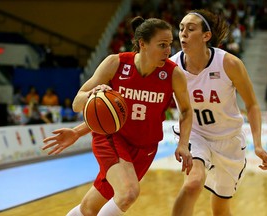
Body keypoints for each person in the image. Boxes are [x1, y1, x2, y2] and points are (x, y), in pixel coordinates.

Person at [42, 16, 193, 216]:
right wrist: (92, 95)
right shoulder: (116, 63)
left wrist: (183, 144)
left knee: (89, 208)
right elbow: (78, 103)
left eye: (170, 45)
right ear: (142, 44)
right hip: (113, 138)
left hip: (145, 148)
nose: (169, 51)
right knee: (129, 193)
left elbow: (186, 110)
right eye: (162, 45)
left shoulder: (173, 74)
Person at [170, 9, 267, 216]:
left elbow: (252, 105)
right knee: (193, 183)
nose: (183, 34)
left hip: (229, 141)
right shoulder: (171, 67)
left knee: (220, 209)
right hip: (195, 134)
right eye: (181, 29)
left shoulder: (229, 64)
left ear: (206, 36)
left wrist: (258, 145)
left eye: (190, 29)